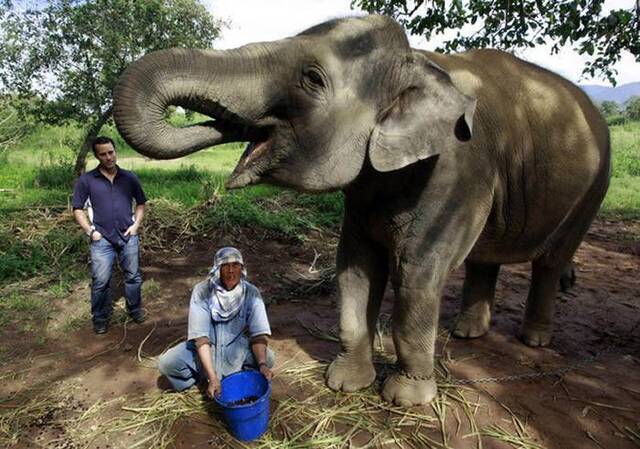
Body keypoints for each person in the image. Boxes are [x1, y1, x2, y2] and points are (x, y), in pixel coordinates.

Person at [158, 247, 275, 399]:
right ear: (217, 269)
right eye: (225, 266)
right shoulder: (202, 291)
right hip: (206, 349)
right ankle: (200, 379)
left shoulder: (251, 293)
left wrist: (262, 365)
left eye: (235, 265)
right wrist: (212, 377)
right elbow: (201, 339)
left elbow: (258, 335)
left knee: (269, 359)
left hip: (236, 348)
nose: (231, 271)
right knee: (167, 364)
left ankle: (237, 376)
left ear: (242, 268)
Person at [72, 136, 147, 334]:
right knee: (101, 281)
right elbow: (77, 209)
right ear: (97, 156)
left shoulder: (129, 177)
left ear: (116, 151)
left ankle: (135, 310)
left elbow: (140, 203)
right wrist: (90, 231)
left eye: (110, 152)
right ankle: (100, 318)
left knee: (133, 276)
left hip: (128, 235)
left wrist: (136, 225)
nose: (108, 157)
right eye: (103, 154)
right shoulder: (87, 180)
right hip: (101, 238)